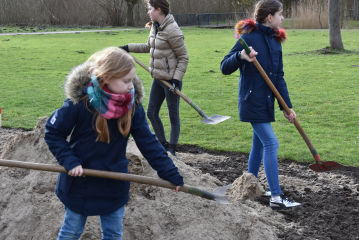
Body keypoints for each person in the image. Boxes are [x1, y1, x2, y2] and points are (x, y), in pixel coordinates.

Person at [44, 47, 184, 240]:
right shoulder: (80, 102)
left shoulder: (132, 105)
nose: (130, 86)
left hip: (113, 182)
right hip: (80, 180)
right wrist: (69, 160)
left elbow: (148, 142)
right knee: (72, 231)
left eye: (131, 80)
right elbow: (53, 133)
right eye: (126, 81)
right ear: (107, 77)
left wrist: (170, 173)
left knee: (112, 233)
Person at [220, 0, 301, 211]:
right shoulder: (248, 38)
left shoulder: (275, 41)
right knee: (271, 144)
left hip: (267, 103)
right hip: (251, 101)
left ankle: (250, 187)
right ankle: (276, 196)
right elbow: (224, 67)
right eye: (280, 14)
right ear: (269, 17)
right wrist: (241, 56)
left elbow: (279, 77)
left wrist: (287, 106)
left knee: (259, 144)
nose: (282, 18)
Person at [119, 0, 189, 157]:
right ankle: (163, 144)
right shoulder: (155, 27)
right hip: (158, 78)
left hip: (171, 81)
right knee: (151, 112)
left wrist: (176, 80)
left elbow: (184, 57)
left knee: (173, 115)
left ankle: (172, 149)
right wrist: (126, 48)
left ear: (159, 10)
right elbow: (148, 47)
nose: (148, 12)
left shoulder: (173, 30)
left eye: (150, 9)